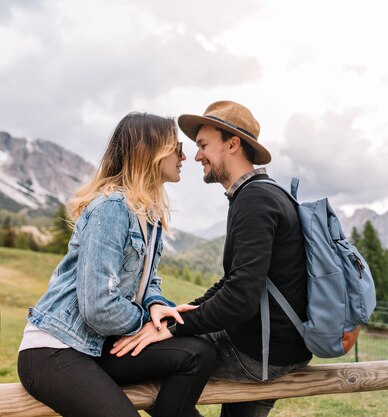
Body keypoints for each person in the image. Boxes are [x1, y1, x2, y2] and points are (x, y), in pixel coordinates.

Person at [112, 101, 312, 417]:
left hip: (259, 353)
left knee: (150, 356)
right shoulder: (267, 193)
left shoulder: (254, 200)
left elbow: (239, 299)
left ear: (233, 144)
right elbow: (233, 282)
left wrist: (173, 329)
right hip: (281, 346)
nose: (196, 155)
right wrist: (179, 314)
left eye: (204, 145)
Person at [17, 112, 217, 417]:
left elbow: (147, 281)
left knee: (198, 353)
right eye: (176, 147)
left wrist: (155, 304)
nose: (184, 156)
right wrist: (147, 324)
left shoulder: (149, 217)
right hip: (55, 349)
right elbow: (98, 306)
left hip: (98, 346)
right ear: (152, 152)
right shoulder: (111, 209)